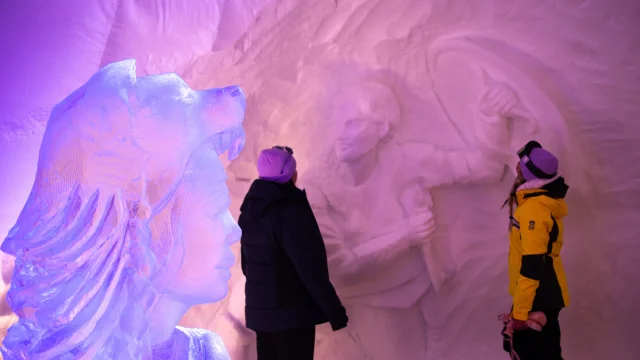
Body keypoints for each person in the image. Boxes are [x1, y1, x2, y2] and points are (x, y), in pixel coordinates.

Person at [238, 145, 348, 360]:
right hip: (291, 316)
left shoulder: (251, 209)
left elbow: (246, 266)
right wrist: (334, 311)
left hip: (262, 314)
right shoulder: (290, 210)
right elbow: (310, 267)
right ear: (289, 174)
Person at [501, 141, 570, 360]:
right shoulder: (536, 202)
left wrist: (521, 311)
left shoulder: (533, 210)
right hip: (540, 293)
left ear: (529, 173)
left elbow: (532, 263)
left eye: (521, 164)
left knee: (534, 354)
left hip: (537, 296)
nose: (517, 166)